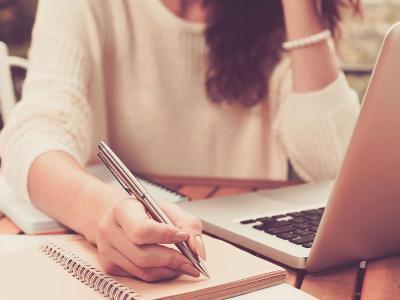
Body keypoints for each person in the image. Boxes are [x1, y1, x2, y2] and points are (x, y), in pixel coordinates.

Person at [0, 0, 360, 282]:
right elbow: (33, 135)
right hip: (127, 258)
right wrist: (101, 212)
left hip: (250, 260)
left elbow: (339, 167)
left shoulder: (280, 14)